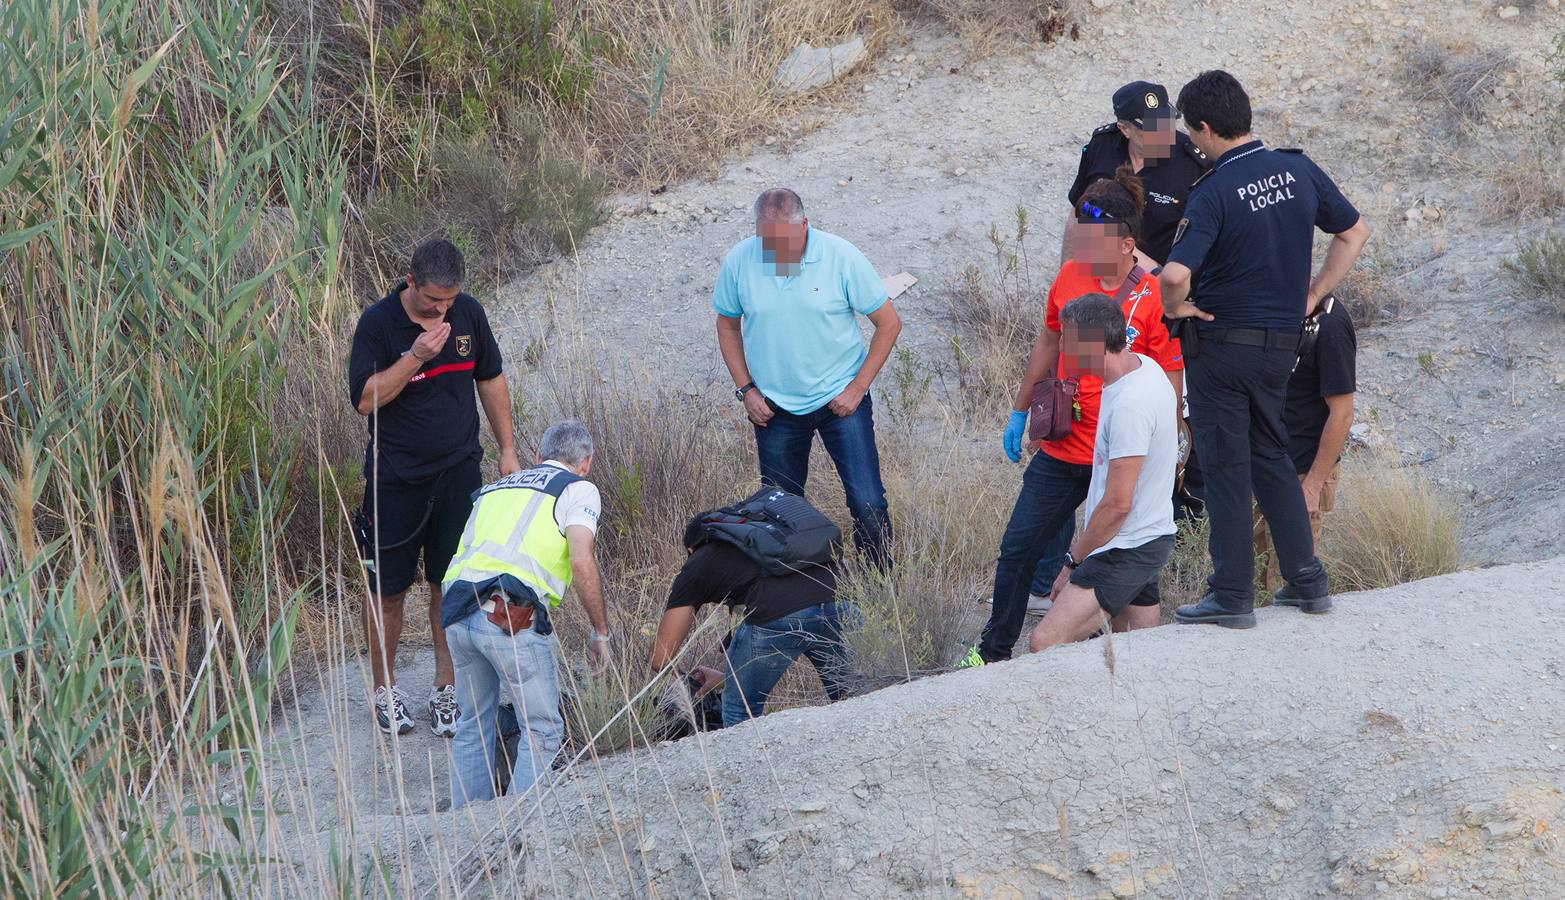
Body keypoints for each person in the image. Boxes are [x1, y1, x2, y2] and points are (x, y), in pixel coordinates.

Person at [1160, 70, 1371, 628]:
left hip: (1222, 348)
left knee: (1228, 464)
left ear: (1205, 128)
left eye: (1191, 130)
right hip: (1281, 345)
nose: (1191, 141)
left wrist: (1174, 306)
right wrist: (1316, 293)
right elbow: (1354, 232)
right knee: (1271, 453)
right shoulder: (1298, 169)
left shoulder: (1213, 190)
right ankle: (1306, 579)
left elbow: (1176, 272)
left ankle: (1231, 593)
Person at [959, 170, 1183, 668]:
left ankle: (1112, 652)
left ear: (1127, 245)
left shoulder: (1150, 299)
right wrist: (1020, 409)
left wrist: (1172, 447)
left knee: (1128, 543)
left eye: (1094, 241)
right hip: (1066, 445)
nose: (1083, 249)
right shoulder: (1069, 277)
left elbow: (1169, 371)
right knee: (1018, 548)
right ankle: (993, 650)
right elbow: (1049, 341)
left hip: (1120, 450)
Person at [348, 239, 521, 737]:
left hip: (459, 472)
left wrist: (507, 449)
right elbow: (364, 400)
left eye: (449, 300)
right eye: (432, 303)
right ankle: (385, 689)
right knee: (387, 590)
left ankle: (447, 687)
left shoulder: (468, 313)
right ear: (410, 283)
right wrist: (414, 357)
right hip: (394, 480)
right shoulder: (377, 324)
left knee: (450, 584)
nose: (442, 310)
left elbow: (490, 379)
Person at [714, 188, 903, 568]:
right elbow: (727, 325)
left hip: (840, 403)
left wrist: (857, 388)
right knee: (780, 511)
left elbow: (888, 323)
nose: (777, 252)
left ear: (805, 225)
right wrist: (746, 390)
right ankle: (798, 597)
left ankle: (882, 588)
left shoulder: (841, 257)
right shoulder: (739, 261)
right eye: (768, 242)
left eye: (785, 242)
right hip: (774, 409)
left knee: (868, 503)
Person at [440, 420, 609, 809]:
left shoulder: (495, 487)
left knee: (471, 726)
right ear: (585, 462)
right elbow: (582, 561)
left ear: (538, 456)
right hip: (508, 616)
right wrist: (601, 631)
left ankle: (465, 831)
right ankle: (519, 831)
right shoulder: (578, 488)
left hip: (457, 609)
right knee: (544, 730)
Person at [1029, 294, 1179, 652]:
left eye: (1068, 337)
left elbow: (1117, 505)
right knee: (1134, 652)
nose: (1061, 346)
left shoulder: (1130, 405)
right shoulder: (1144, 366)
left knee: (1043, 642)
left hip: (1124, 546)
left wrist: (1072, 562)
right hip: (1150, 535)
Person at [649, 493, 856, 727]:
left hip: (776, 613)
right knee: (852, 696)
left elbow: (660, 658)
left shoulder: (698, 561)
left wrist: (688, 686)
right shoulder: (766, 542)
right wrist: (729, 677)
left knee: (739, 709)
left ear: (690, 548)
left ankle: (745, 763)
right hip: (841, 603)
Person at [1254, 295, 1356, 592]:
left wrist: (1312, 486)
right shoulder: (1267, 306)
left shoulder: (1329, 322)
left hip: (1301, 470)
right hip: (1262, 464)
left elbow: (1342, 414)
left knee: (1288, 584)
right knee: (1254, 585)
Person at [1064, 81, 1211, 269]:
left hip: (1156, 285)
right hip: (1100, 274)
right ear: (1125, 129)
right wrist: (1066, 275)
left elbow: (1202, 239)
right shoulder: (1102, 146)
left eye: (1166, 123)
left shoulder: (1195, 164)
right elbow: (1078, 212)